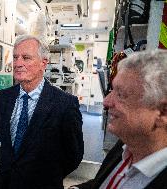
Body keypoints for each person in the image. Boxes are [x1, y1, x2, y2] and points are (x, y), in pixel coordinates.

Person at [0, 35, 84, 189]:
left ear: (43, 63)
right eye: (15, 57)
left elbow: (73, 156)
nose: (18, 63)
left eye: (26, 58)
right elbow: (7, 145)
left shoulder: (65, 104)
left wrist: (47, 176)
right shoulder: (4, 97)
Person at [70, 49, 167, 189]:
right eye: (112, 91)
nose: (106, 101)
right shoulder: (125, 147)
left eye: (121, 95)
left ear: (163, 112)